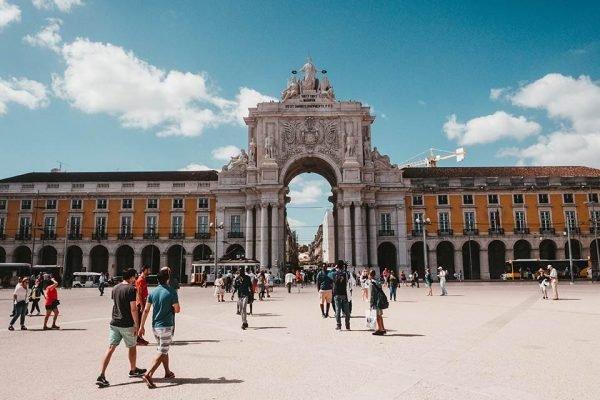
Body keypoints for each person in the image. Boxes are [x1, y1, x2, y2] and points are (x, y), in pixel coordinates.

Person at [96, 268, 146, 388]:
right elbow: (133, 308)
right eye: (135, 276)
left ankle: (101, 375)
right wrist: (137, 325)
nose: (135, 278)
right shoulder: (131, 289)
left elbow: (116, 303)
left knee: (110, 348)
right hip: (127, 324)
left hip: (114, 323)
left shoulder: (115, 287)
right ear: (131, 277)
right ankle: (133, 370)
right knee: (132, 346)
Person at [139, 267, 180, 389]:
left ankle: (167, 372)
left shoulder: (153, 292)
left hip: (155, 326)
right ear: (167, 279)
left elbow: (146, 310)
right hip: (166, 326)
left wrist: (141, 326)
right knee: (162, 350)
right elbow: (177, 309)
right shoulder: (171, 291)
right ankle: (148, 374)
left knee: (163, 348)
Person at [332, 262, 350, 330]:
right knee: (347, 311)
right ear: (342, 267)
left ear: (337, 267)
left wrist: (334, 268)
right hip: (344, 294)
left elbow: (330, 275)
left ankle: (338, 325)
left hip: (336, 294)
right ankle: (347, 325)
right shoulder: (345, 274)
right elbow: (347, 282)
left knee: (337, 311)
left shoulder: (333, 274)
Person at [135, 266, 150, 346]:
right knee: (139, 321)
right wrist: (142, 306)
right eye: (148, 270)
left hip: (143, 302)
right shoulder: (140, 280)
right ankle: (138, 339)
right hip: (140, 303)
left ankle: (139, 338)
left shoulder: (143, 279)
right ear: (144, 270)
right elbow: (139, 294)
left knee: (141, 321)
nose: (149, 272)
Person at [369, 270, 387, 335]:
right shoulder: (378, 281)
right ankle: (383, 328)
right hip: (380, 300)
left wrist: (371, 303)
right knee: (380, 315)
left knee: (377, 316)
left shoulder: (372, 283)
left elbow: (372, 294)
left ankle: (380, 329)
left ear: (370, 275)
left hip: (376, 301)